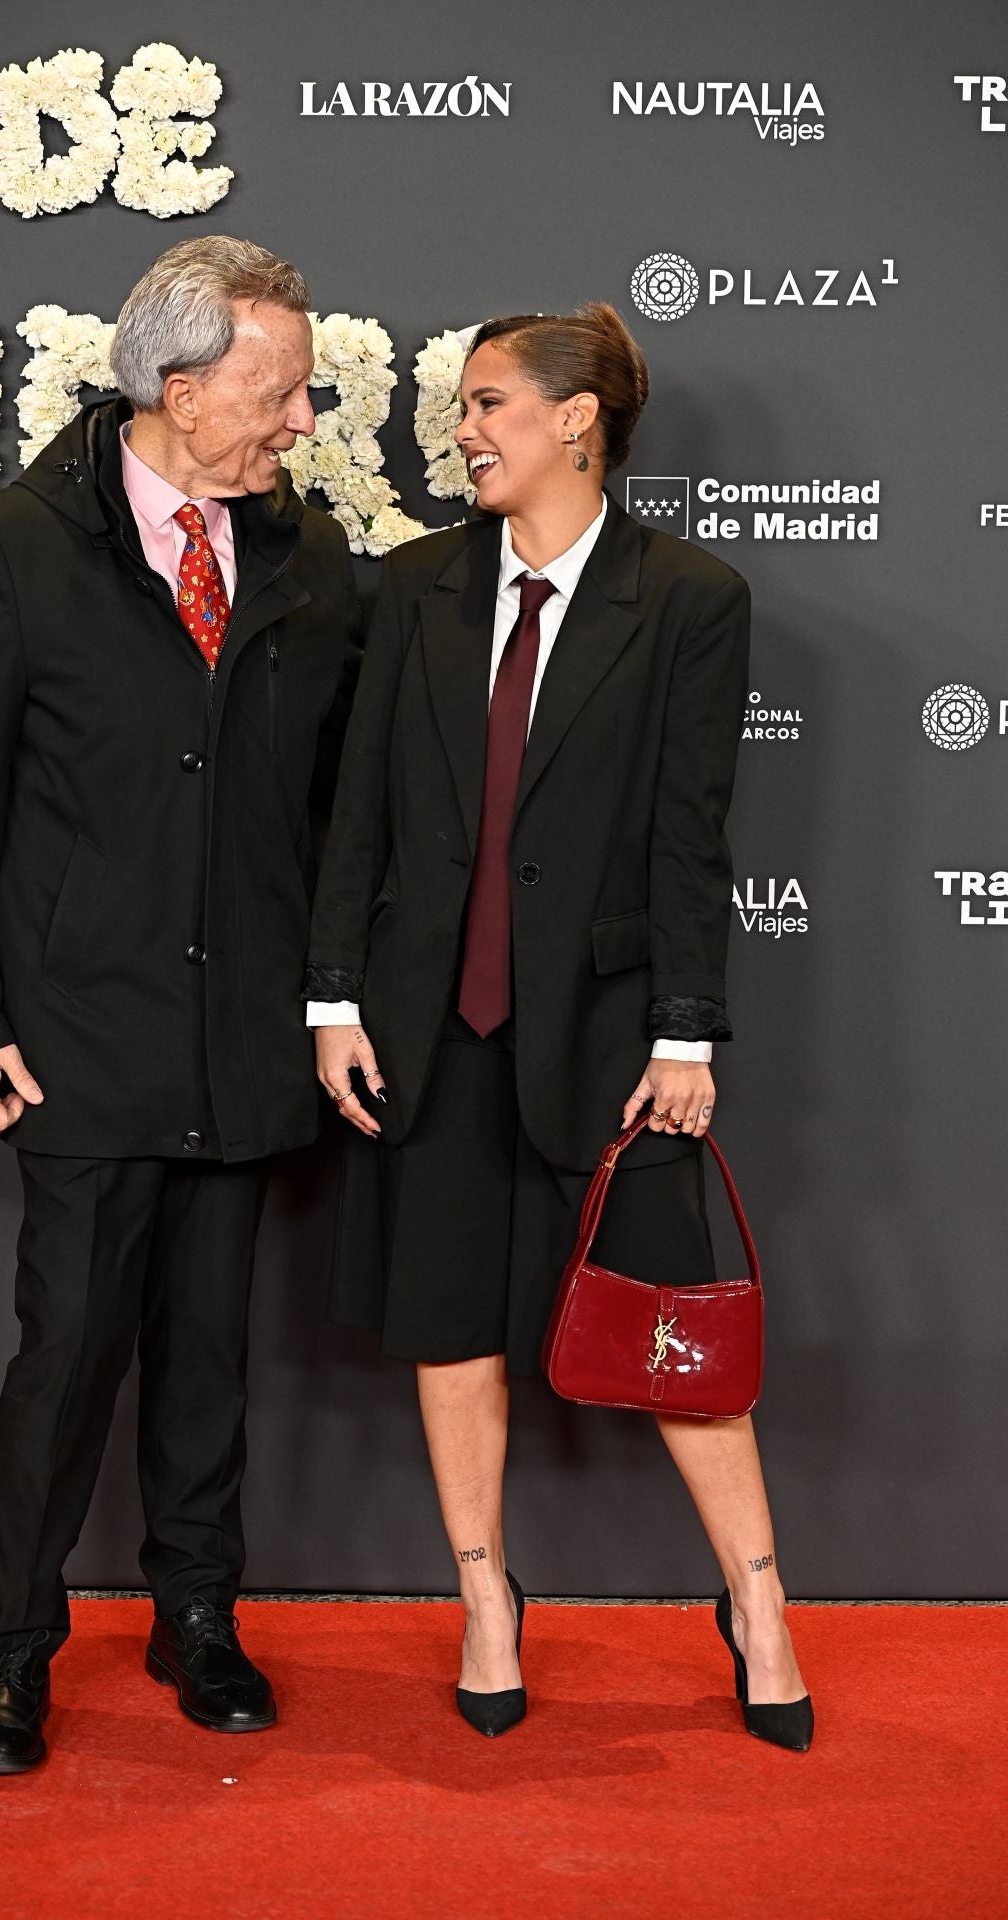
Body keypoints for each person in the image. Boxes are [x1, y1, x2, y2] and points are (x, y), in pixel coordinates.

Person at [304, 305, 813, 1751]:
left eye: (482, 404)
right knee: (451, 1332)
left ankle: (759, 1607)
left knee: (668, 1341)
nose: (458, 430)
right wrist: (334, 999)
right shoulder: (412, 588)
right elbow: (362, 820)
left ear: (575, 419)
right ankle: (483, 1603)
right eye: (457, 408)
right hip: (424, 1028)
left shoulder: (688, 598)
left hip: (602, 1037)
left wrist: (686, 1036)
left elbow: (688, 837)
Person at [0, 236, 360, 1772]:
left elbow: (336, 804)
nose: (299, 421)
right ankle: (12, 1656)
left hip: (240, 1046)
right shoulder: (13, 546)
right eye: (276, 392)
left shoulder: (302, 553)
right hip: (77, 1042)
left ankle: (196, 1620)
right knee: (69, 1353)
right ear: (178, 387)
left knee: (209, 1358)